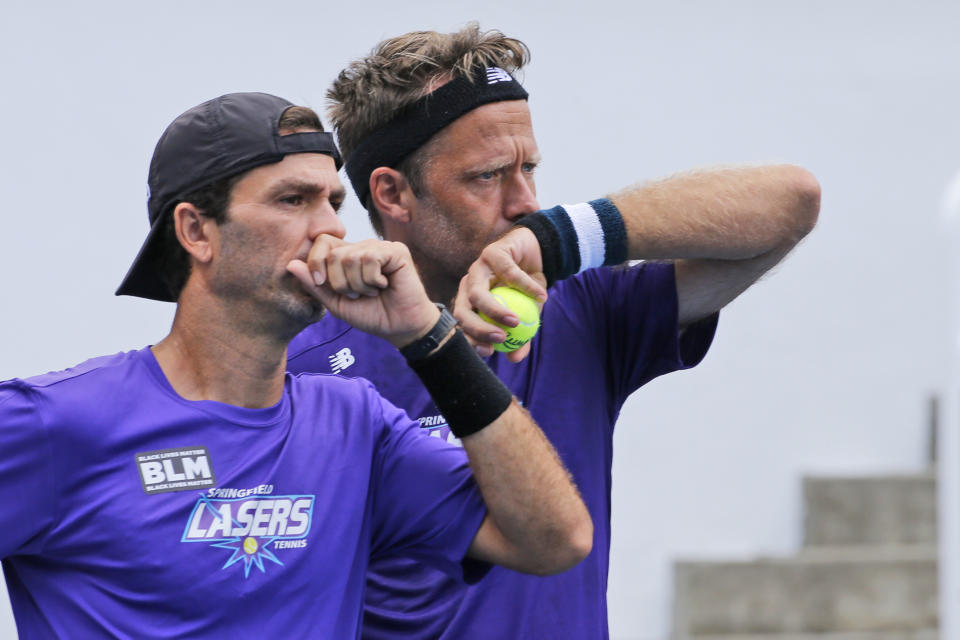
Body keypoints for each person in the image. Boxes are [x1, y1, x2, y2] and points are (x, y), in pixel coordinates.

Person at [286, 25, 821, 639]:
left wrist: (555, 239)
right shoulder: (302, 362)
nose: (525, 201)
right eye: (487, 176)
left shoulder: (579, 304)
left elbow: (792, 201)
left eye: (529, 168)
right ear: (393, 193)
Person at [0, 92, 593, 639]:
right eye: (293, 200)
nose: (331, 229)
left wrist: (427, 336)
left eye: (333, 202)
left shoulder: (356, 425)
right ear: (196, 230)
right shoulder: (53, 423)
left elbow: (554, 540)